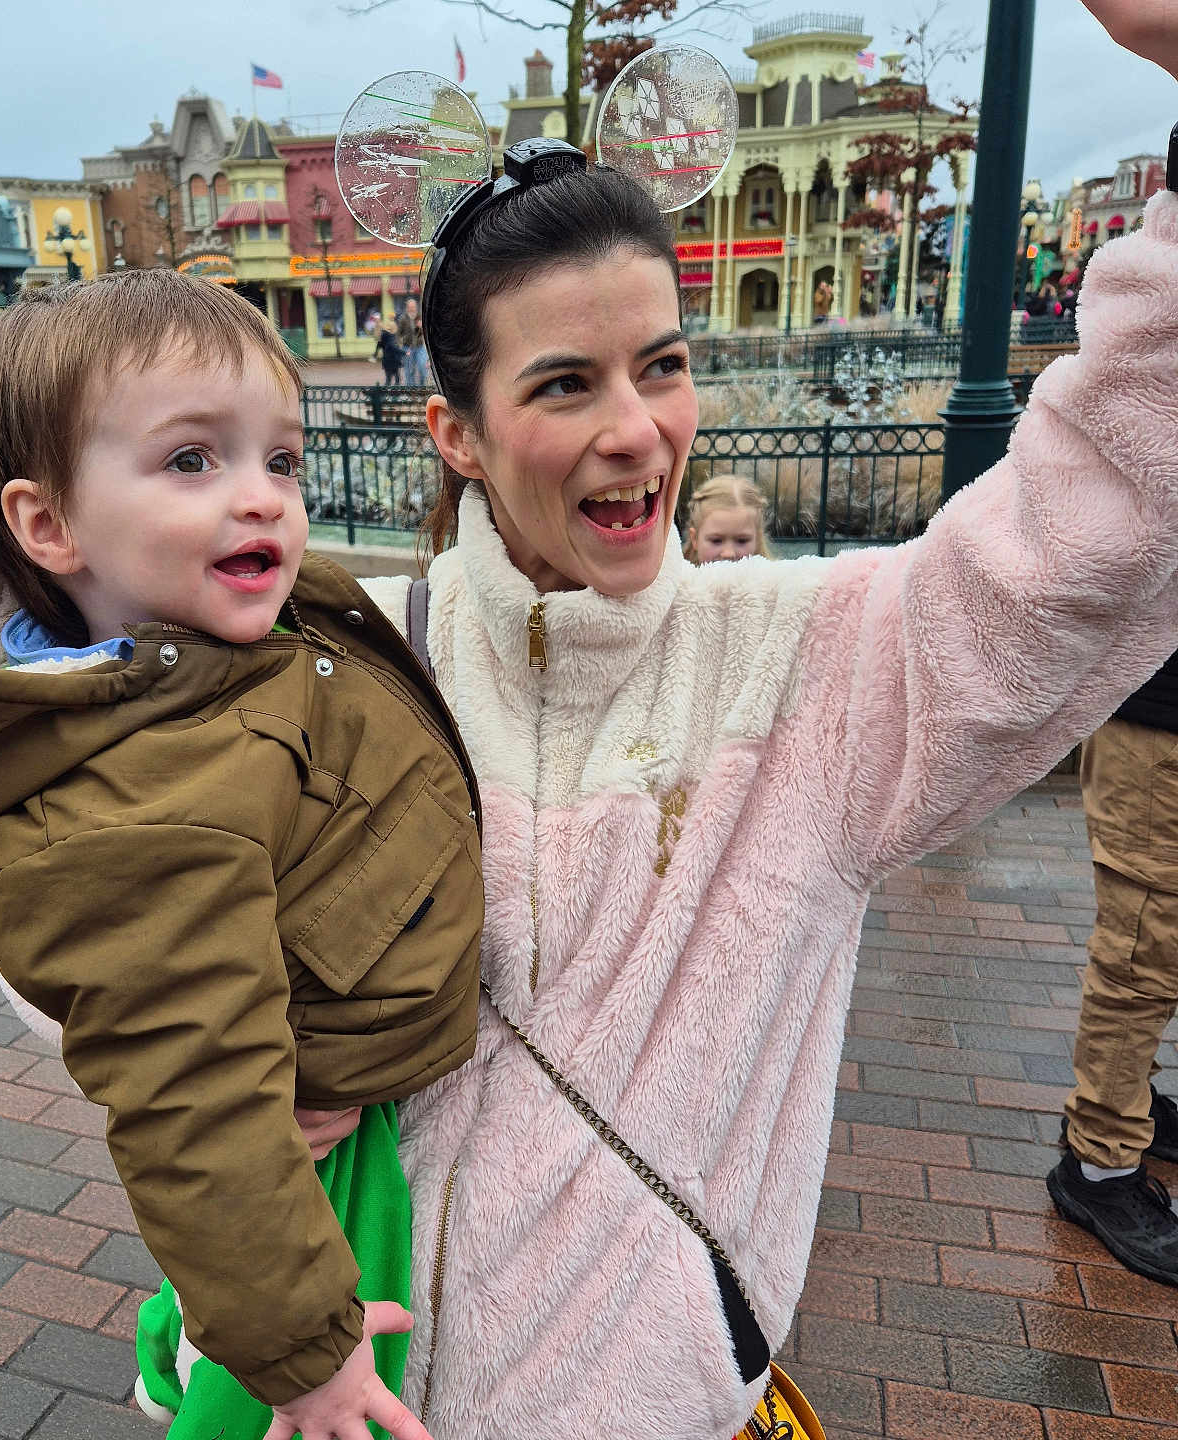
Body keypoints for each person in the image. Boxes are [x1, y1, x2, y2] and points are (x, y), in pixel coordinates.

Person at [246, 7, 1174, 1430]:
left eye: (662, 366)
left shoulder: (805, 670)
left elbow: (1096, 532)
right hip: (351, 1396)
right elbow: (118, 861)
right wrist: (239, 1057)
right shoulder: (361, 662)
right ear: (459, 432)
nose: (638, 430)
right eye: (564, 384)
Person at [0, 268, 486, 1440]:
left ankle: (188, 1337)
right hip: (320, 1164)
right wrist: (305, 1356)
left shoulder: (214, 631)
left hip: (341, 1075)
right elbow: (195, 1108)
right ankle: (229, 1369)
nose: (262, 501)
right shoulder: (129, 806)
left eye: (279, 460)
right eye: (194, 461)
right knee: (319, 1397)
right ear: (50, 524)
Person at [1048, 647, 1178, 1284]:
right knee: (1145, 953)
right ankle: (1100, 1164)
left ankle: (1134, 1102)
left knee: (1162, 944)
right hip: (1159, 722)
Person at [683, 473, 773, 564]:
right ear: (695, 539)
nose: (728, 554)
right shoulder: (676, 577)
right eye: (716, 540)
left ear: (757, 539)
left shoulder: (775, 577)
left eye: (742, 541)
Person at [396, 296, 428, 387]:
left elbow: (426, 332)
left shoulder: (420, 317)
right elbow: (398, 334)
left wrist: (422, 327)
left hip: (419, 347)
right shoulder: (403, 318)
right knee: (409, 371)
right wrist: (401, 346)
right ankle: (411, 391)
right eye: (410, 307)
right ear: (407, 308)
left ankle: (421, 387)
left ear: (416, 307)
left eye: (413, 306)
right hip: (408, 348)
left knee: (422, 367)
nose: (412, 309)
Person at [374, 317, 403, 385]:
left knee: (391, 378)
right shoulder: (390, 336)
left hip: (390, 360)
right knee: (394, 378)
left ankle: (390, 391)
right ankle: (393, 391)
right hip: (392, 359)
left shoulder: (387, 335)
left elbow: (379, 344)